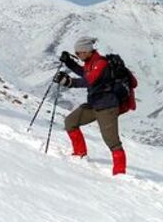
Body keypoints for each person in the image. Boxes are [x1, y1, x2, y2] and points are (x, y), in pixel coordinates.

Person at [54, 36, 128, 175]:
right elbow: (83, 72)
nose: (77, 55)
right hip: (94, 104)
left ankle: (119, 173)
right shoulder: (90, 62)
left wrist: (69, 82)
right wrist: (69, 62)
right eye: (76, 53)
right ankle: (79, 154)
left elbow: (89, 80)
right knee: (70, 122)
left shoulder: (100, 64)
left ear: (87, 51)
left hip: (107, 107)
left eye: (78, 53)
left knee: (112, 142)